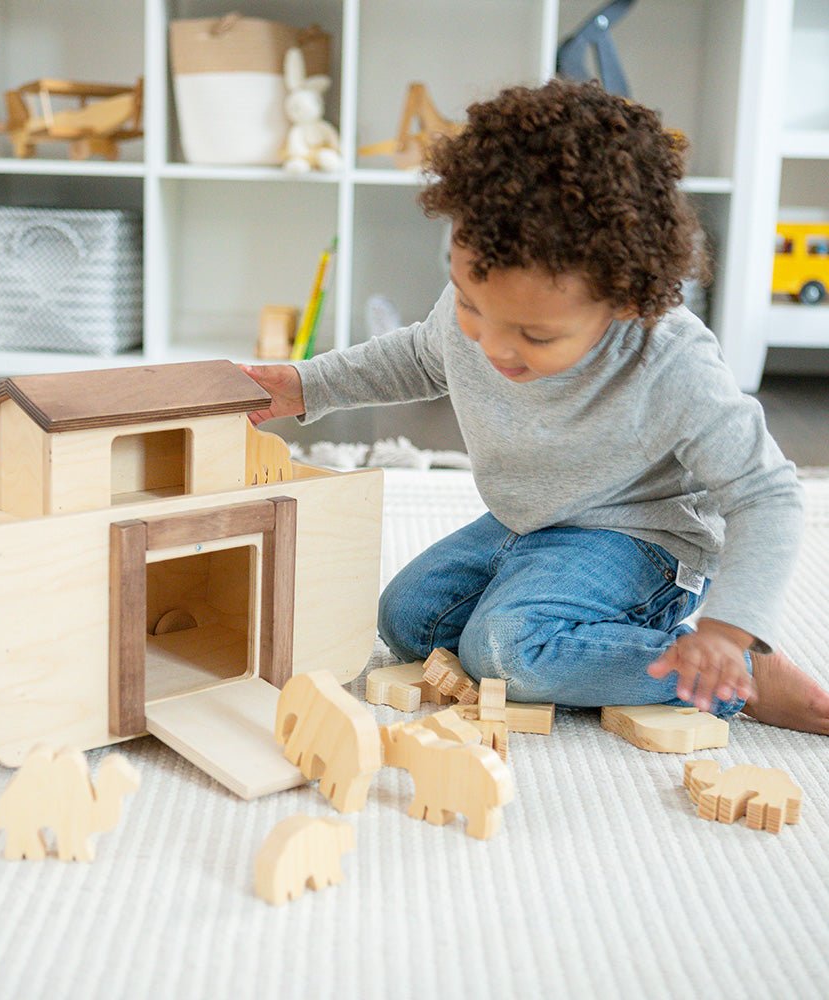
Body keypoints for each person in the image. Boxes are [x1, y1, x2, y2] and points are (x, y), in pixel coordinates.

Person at [241, 79, 829, 736]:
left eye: (536, 336)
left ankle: (736, 677)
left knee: (506, 653)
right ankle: (568, 626)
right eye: (471, 306)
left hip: (639, 540)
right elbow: (418, 357)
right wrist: (306, 385)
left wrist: (730, 626)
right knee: (409, 621)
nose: (491, 344)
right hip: (527, 520)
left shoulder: (670, 361)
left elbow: (766, 495)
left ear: (625, 301)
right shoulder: (489, 294)